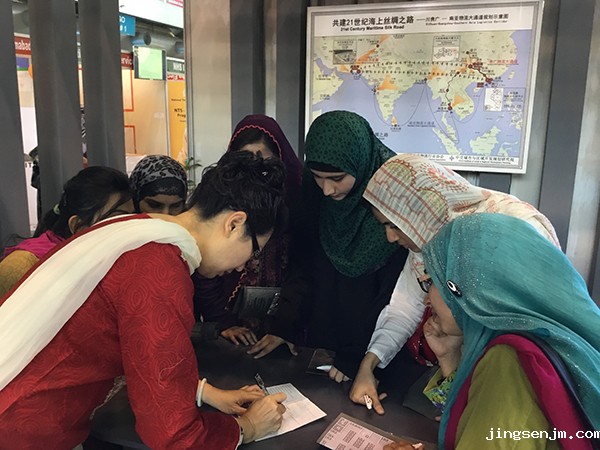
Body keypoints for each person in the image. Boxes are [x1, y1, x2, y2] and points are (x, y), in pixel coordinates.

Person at [0, 151, 287, 449]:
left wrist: (202, 391)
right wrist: (247, 427)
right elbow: (171, 433)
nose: (243, 267)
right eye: (254, 251)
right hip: (23, 429)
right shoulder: (159, 267)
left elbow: (136, 352)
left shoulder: (133, 230)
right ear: (234, 224)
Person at [350, 153, 561, 414]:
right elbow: (404, 309)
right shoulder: (429, 238)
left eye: (395, 226)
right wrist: (368, 365)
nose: (390, 238)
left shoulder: (502, 233)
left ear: (421, 210)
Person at [409, 213, 599, 450]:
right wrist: (448, 358)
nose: (426, 299)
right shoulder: (559, 339)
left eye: (432, 281)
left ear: (462, 288)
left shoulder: (510, 361)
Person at [302, 110, 409, 382]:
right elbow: (305, 261)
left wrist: (355, 357)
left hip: (378, 347)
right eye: (317, 177)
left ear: (360, 162)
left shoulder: (393, 191)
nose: (326, 190)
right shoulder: (313, 189)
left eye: (337, 178)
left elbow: (395, 295)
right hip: (326, 345)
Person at [193, 114, 309, 359]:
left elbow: (305, 271)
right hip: (232, 324)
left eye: (265, 163)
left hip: (285, 326)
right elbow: (207, 268)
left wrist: (285, 326)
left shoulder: (299, 201)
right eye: (247, 161)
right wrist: (222, 322)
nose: (257, 171)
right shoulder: (221, 204)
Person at [0, 166, 134, 297]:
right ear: (77, 225)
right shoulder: (22, 266)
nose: (130, 227)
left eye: (133, 218)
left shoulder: (118, 260)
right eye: (116, 219)